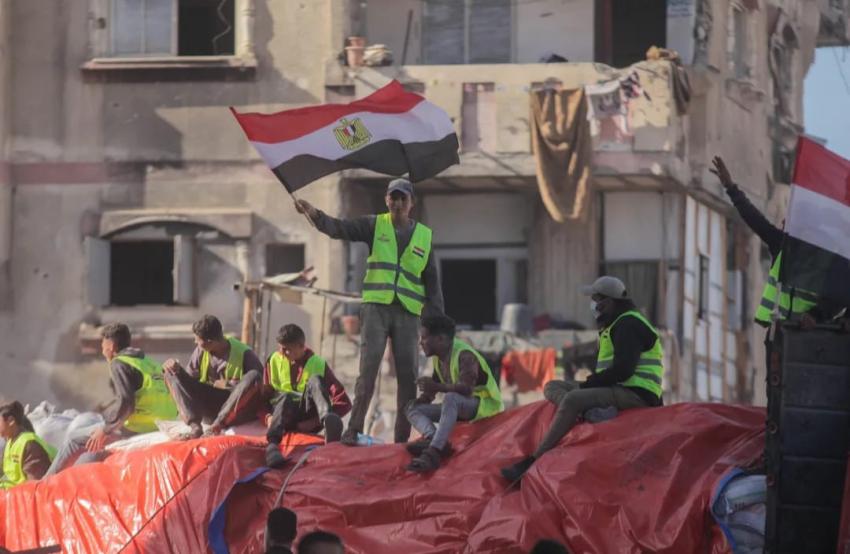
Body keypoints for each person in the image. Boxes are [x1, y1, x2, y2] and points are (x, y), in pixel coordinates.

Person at [294, 178, 444, 445]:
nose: (398, 203)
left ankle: (401, 439)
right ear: (386, 200)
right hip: (376, 309)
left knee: (408, 378)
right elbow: (339, 228)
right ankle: (353, 431)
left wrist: (437, 326)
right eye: (393, 197)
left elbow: (433, 285)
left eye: (403, 198)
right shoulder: (374, 225)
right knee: (368, 372)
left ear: (412, 203)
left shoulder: (424, 236)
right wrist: (313, 214)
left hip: (408, 313)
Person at [500, 276, 663, 483]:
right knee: (552, 386)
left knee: (572, 399)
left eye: (596, 299)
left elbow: (624, 370)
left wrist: (589, 385)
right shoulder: (615, 324)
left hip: (636, 393)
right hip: (618, 388)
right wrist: (589, 386)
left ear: (608, 302)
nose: (593, 305)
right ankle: (586, 413)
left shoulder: (628, 324)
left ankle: (533, 461)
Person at [710, 156, 844, 328]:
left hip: (812, 335)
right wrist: (731, 188)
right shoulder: (783, 245)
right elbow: (754, 219)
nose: (784, 222)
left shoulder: (829, 257)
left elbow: (840, 296)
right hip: (780, 333)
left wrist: (816, 315)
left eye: (792, 220)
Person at [45, 323, 177, 476]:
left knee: (74, 441)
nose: (102, 351)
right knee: (93, 448)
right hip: (162, 424)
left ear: (111, 346)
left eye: (103, 346)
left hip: (136, 428)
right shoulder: (149, 362)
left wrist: (105, 429)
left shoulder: (119, 363)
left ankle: (44, 485)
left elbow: (126, 404)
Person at [404, 315, 503, 472]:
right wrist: (423, 399)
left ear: (440, 339)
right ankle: (433, 439)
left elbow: (467, 390)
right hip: (459, 407)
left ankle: (434, 452)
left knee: (451, 398)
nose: (420, 342)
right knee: (412, 408)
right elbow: (434, 387)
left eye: (424, 338)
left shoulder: (465, 355)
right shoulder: (439, 358)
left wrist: (435, 386)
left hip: (484, 407)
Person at [262, 324, 351, 468]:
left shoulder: (318, 364)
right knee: (286, 397)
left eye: (287, 349)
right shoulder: (273, 360)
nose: (282, 353)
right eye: (280, 348)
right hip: (281, 418)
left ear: (301, 346)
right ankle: (272, 448)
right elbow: (262, 397)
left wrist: (314, 422)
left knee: (315, 379)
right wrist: (267, 417)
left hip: (307, 418)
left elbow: (344, 402)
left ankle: (328, 426)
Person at [163, 315, 265, 440]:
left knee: (254, 375)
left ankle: (216, 427)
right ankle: (195, 427)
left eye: (198, 340)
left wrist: (228, 386)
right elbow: (188, 385)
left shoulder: (245, 354)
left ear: (210, 341)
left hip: (235, 411)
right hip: (210, 407)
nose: (195, 342)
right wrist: (177, 369)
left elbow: (260, 390)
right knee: (171, 372)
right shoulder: (200, 351)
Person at [0, 400, 55, 488]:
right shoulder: (9, 443)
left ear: (11, 421)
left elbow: (35, 486)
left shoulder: (30, 444)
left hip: (24, 494)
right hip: (11, 492)